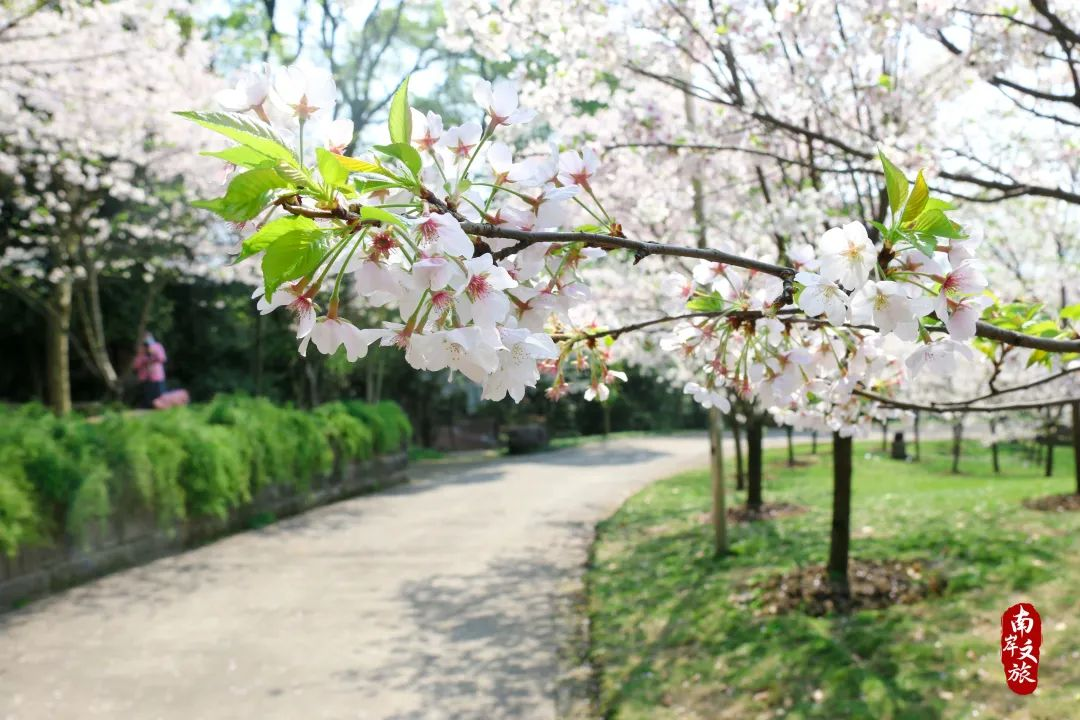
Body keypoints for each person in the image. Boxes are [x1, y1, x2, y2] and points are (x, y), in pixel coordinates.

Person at [133, 332, 167, 409]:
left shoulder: (157, 346)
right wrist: (144, 359)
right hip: (145, 378)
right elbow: (136, 365)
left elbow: (163, 358)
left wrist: (154, 353)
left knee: (160, 397)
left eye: (148, 337)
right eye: (144, 338)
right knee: (147, 399)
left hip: (157, 377)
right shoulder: (141, 349)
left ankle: (161, 409)